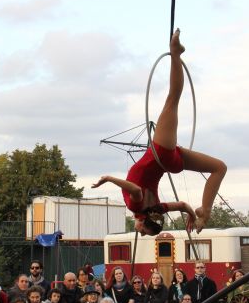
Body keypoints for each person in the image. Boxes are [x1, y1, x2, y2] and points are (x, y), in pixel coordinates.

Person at [92, 29, 227, 234]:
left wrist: (191, 213)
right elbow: (136, 190)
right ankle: (176, 53)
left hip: (169, 160)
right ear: (143, 222)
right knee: (172, 98)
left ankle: (204, 212)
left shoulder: (157, 208)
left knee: (219, 167)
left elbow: (181, 205)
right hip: (161, 153)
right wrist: (109, 179)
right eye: (142, 231)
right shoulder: (136, 207)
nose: (138, 230)